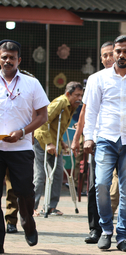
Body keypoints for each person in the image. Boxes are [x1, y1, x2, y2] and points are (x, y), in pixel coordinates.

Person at [83, 35, 126, 252]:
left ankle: (122, 236)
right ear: (112, 53)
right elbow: (91, 111)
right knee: (101, 184)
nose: (120, 55)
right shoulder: (97, 79)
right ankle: (106, 230)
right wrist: (88, 137)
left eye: (125, 51)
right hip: (105, 140)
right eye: (117, 52)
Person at [0, 39, 49, 253]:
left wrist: (22, 132)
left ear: (19, 60)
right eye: (4, 57)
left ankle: (28, 221)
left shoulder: (31, 83)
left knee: (25, 193)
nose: (7, 60)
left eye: (12, 57)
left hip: (21, 148)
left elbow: (43, 115)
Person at [71, 41, 114, 244]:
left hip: (122, 141)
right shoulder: (95, 79)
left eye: (110, 54)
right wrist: (78, 137)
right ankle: (95, 229)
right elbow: (85, 112)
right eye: (104, 55)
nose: (107, 58)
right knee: (95, 185)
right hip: (98, 141)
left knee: (124, 185)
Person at [33, 81, 83, 216]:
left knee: (58, 174)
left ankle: (51, 206)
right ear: (68, 94)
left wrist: (61, 142)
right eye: (77, 95)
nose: (79, 99)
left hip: (55, 143)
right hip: (42, 140)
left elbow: (58, 127)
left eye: (81, 96)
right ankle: (32, 207)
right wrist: (49, 143)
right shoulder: (60, 103)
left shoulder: (72, 106)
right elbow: (43, 121)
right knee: (40, 175)